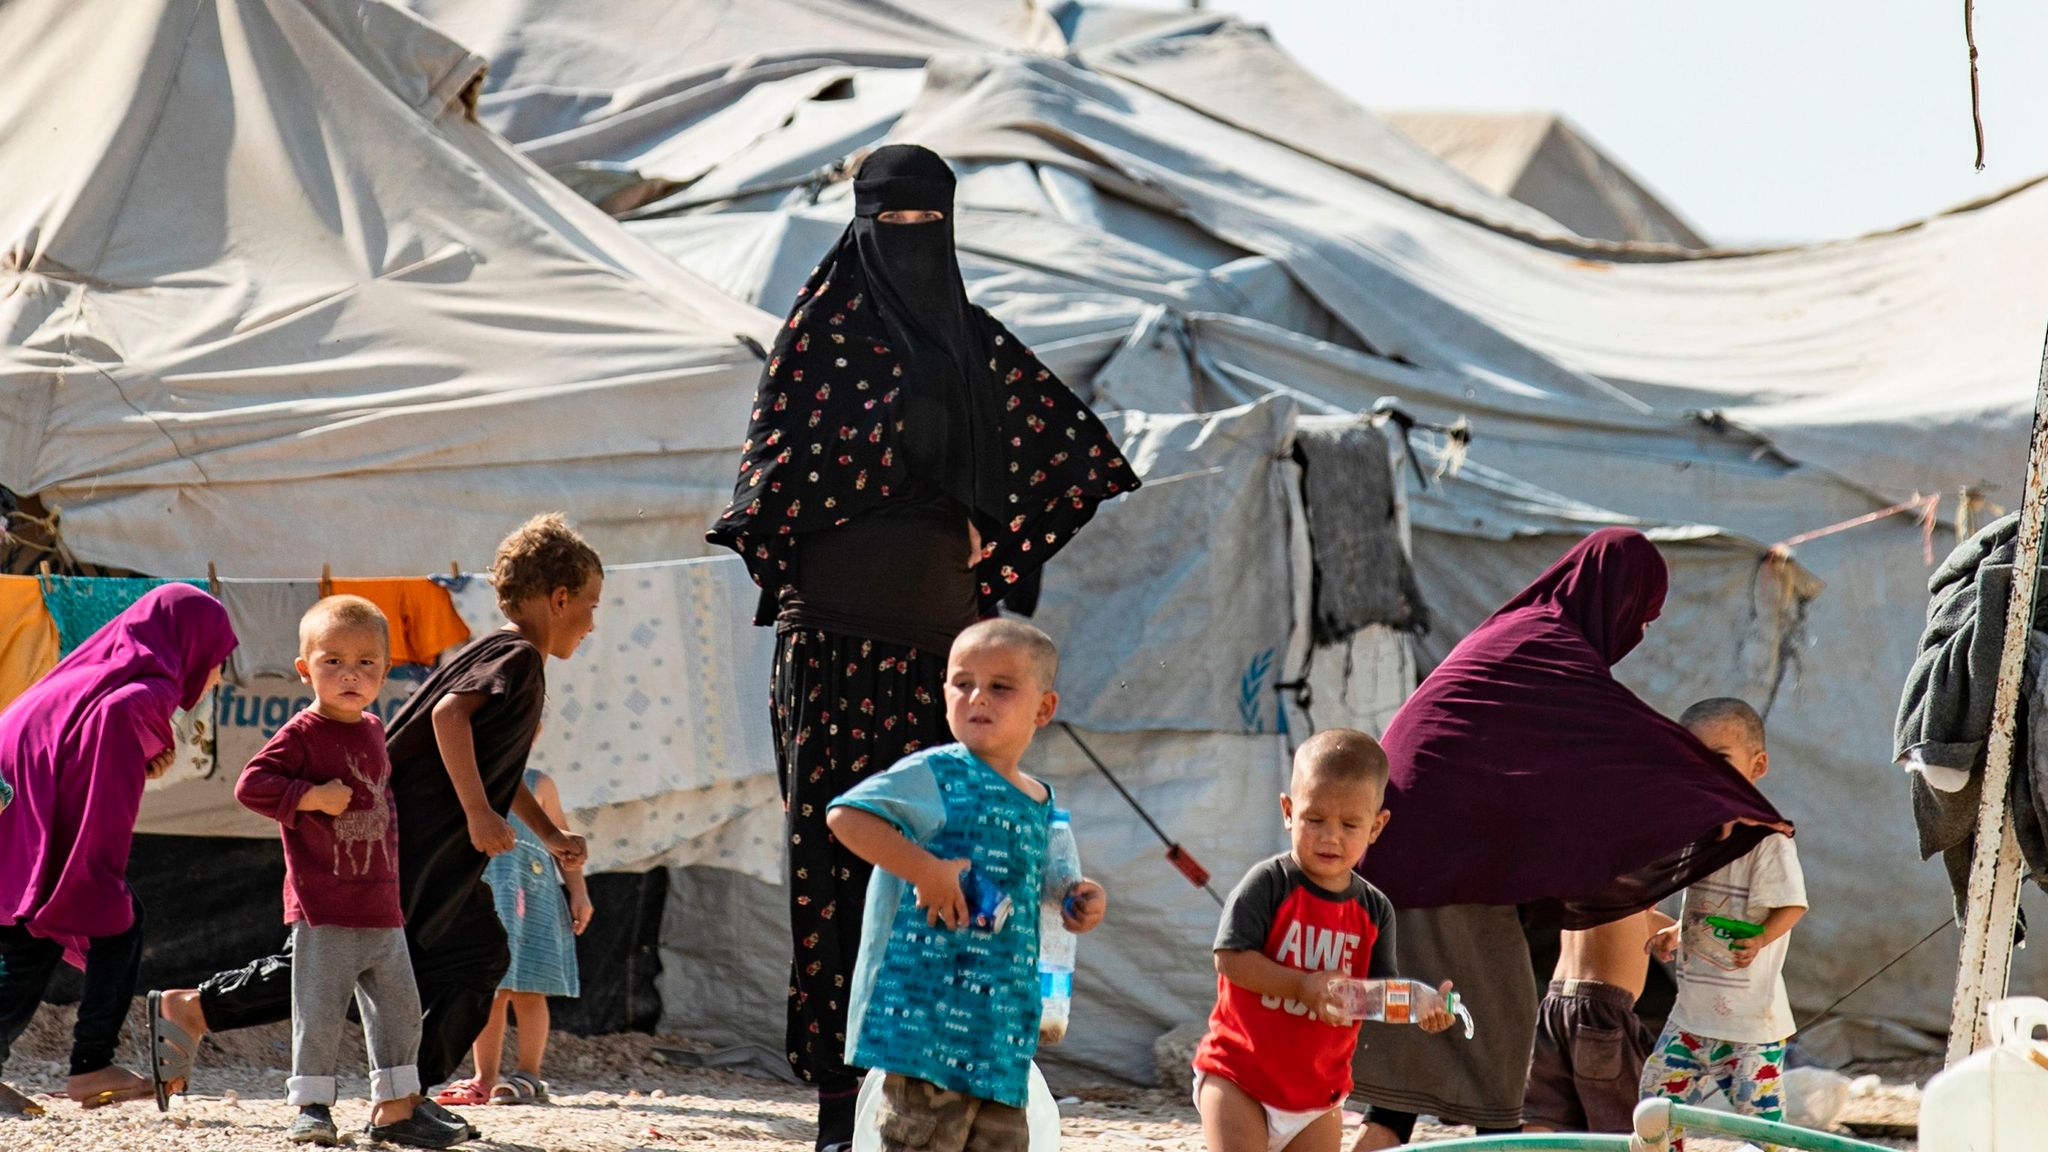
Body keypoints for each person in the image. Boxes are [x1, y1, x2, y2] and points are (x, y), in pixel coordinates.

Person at [706, 143, 1137, 1151]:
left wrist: (985, 519)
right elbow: (773, 480)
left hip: (943, 667)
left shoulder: (969, 344)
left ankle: (947, 1081)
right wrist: (917, 486)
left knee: (954, 860)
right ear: (859, 224)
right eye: (889, 225)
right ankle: (834, 1105)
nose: (908, 244)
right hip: (833, 650)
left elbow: (1068, 457)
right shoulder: (815, 337)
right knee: (834, 863)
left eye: (924, 226)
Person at [148, 514, 600, 1140]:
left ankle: (407, 1096)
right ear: (558, 599)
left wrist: (546, 836)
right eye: (590, 606)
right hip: (410, 841)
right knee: (341, 957)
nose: (592, 622)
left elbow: (500, 768)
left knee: (477, 956)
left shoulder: (501, 654)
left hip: (443, 851)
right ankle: (198, 1009)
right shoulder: (518, 655)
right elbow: (448, 718)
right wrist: (475, 813)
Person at [1350, 528, 1791, 1147]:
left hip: (1385, 857)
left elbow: (1526, 781)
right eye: (1639, 613)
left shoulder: (1516, 637)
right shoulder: (1550, 649)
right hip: (1437, 870)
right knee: (1503, 1066)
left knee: (1398, 1101)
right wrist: (1729, 803)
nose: (1635, 633)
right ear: (1613, 596)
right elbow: (1620, 749)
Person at [824, 618, 1106, 1152]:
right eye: (962, 683)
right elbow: (848, 817)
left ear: (1043, 709)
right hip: (925, 1026)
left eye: (1001, 687)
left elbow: (1040, 886)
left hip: (1000, 1030)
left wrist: (1079, 901)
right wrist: (924, 870)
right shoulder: (934, 773)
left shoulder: (1038, 800)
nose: (978, 696)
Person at [0, 585, 237, 1116]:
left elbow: (80, 740)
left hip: (15, 809)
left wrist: (140, 754)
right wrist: (95, 872)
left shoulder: (101, 674)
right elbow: (107, 759)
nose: (220, 673)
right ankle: (90, 1066)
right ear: (190, 644)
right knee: (104, 919)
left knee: (30, 939)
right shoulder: (145, 691)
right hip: (34, 817)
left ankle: (89, 1064)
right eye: (220, 658)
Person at [233, 596, 455, 1148]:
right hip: (323, 903)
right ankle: (311, 1108)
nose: (350, 674)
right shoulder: (302, 733)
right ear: (305, 668)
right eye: (333, 661)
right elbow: (251, 786)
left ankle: (397, 1108)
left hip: (381, 902)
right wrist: (309, 796)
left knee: (401, 1009)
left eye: (366, 662)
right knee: (320, 1011)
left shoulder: (375, 729)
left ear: (385, 669)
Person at [1193, 729, 1454, 1152]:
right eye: (1315, 819)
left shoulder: (1374, 910)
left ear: (1377, 826)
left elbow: (1373, 995)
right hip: (1239, 1075)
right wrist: (1301, 986)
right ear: (1289, 810)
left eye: (1349, 824)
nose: (1330, 836)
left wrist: (1421, 1006)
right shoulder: (1268, 884)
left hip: (1318, 1096)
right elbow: (1230, 959)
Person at [1639, 698, 1806, 1128]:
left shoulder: (1767, 842)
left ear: (1759, 765)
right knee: (1654, 1109)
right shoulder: (1701, 837)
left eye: (1721, 759)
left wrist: (1761, 937)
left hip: (1750, 1029)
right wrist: (1679, 931)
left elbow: (1792, 906)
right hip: (1690, 1020)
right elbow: (1707, 904)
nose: (1706, 770)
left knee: (1764, 1128)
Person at [438, 767, 592, 1108]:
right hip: (487, 898)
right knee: (489, 988)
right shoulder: (470, 782)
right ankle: (484, 1078)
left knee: (531, 989)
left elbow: (563, 841)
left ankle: (528, 1075)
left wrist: (579, 893)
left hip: (534, 898)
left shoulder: (540, 784)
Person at [1520, 909, 1674, 1133]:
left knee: (1545, 1114)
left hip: (1556, 1005)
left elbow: (1646, 922)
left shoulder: (1587, 886)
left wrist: (1672, 932)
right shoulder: (1633, 884)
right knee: (1628, 1125)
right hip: (1602, 1011)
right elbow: (1654, 921)